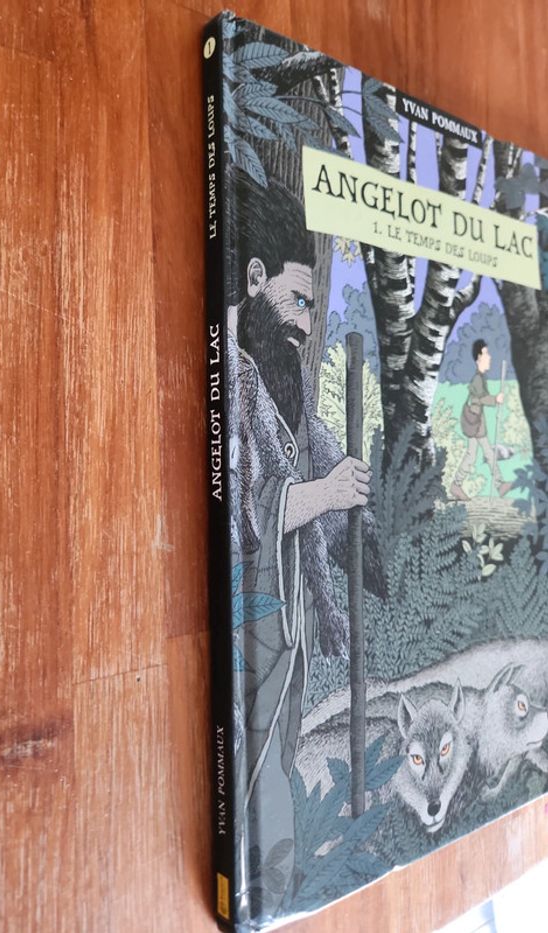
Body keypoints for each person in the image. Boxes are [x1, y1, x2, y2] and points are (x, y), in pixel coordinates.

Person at [225, 169, 384, 917]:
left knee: (278, 756)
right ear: (256, 279)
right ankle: (261, 892)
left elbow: (307, 447)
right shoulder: (232, 373)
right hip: (248, 622)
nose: (304, 323)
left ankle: (276, 893)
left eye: (313, 308)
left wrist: (353, 512)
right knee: (255, 770)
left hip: (282, 625)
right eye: (297, 301)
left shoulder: (278, 367)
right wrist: (326, 494)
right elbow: (246, 507)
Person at [451, 339, 512, 501]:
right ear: (478, 358)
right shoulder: (477, 379)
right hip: (475, 423)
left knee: (479, 454)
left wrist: (493, 399)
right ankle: (459, 485)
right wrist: (495, 399)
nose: (489, 357)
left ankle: (498, 485)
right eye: (486, 354)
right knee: (478, 454)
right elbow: (479, 398)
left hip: (476, 422)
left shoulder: (480, 377)